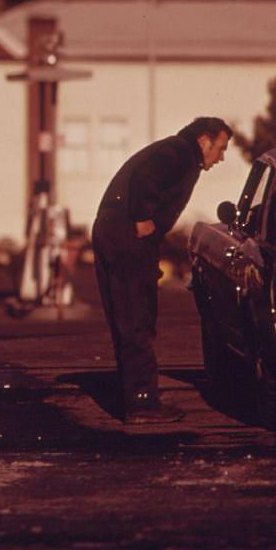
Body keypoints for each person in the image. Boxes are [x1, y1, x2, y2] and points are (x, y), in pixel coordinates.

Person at [92, 117, 232, 424]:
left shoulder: (178, 152)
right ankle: (142, 403)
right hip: (126, 236)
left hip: (117, 234)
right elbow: (146, 176)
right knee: (135, 318)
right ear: (204, 140)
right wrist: (142, 218)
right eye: (220, 148)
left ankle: (135, 396)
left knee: (132, 317)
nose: (221, 157)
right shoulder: (180, 151)